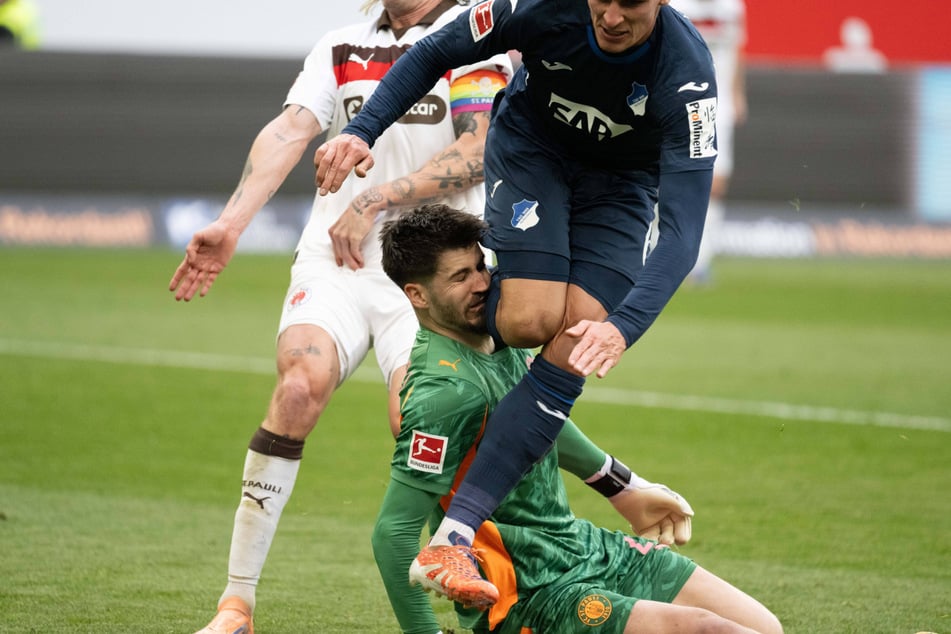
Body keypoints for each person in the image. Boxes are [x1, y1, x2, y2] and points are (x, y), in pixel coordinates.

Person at [314, 0, 719, 607]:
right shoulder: (536, 6)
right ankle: (436, 345)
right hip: (534, 152)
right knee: (529, 318)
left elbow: (683, 234)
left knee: (579, 334)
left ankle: (453, 538)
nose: (610, 15)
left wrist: (623, 329)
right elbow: (435, 50)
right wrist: (359, 130)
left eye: (629, 2)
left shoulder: (689, 79)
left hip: (622, 188)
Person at [168, 1, 512, 631]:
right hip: (339, 256)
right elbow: (290, 130)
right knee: (298, 387)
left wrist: (380, 197)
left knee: (423, 420)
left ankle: (486, 601)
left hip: (432, 268)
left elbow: (480, 146)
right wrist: (230, 223)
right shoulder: (341, 44)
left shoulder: (474, 35)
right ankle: (236, 604)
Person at [375, 204, 782, 633]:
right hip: (528, 592)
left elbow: (534, 422)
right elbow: (393, 533)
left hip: (578, 545)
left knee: (764, 627)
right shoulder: (444, 393)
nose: (481, 284)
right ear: (417, 295)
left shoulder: (500, 331)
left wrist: (623, 485)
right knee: (711, 630)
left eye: (481, 266)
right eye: (460, 277)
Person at [670, 0, 747, 285]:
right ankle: (658, 251)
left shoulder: (732, 6)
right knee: (667, 180)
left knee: (716, 183)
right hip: (683, 99)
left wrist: (738, 93)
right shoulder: (676, 4)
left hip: (720, 104)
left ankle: (700, 261)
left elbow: (738, 48)